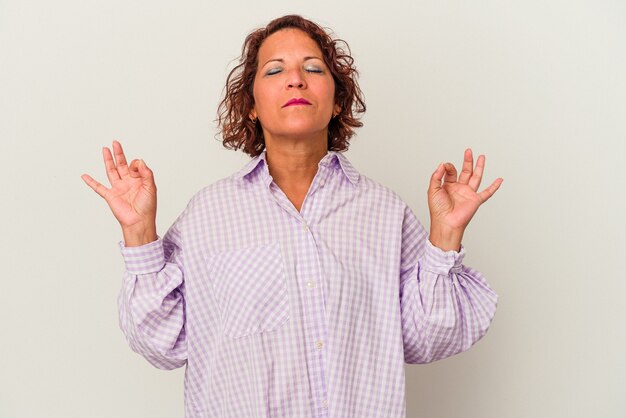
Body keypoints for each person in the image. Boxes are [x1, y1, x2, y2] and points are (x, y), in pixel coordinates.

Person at [81, 14, 502, 418]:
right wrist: (139, 233)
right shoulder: (207, 215)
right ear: (251, 106)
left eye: (313, 68)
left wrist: (446, 234)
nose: (295, 79)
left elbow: (427, 339)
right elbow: (161, 345)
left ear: (337, 102)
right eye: (274, 70)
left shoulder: (384, 212)